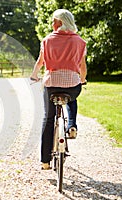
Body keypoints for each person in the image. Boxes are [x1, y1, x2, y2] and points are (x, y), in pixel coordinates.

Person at [30, 9, 87, 170]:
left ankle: (45, 161)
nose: (52, 24)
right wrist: (82, 80)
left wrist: (34, 75)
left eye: (54, 21)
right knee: (72, 98)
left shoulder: (47, 40)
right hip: (72, 85)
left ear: (60, 22)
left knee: (48, 119)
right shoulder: (80, 41)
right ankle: (71, 125)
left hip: (51, 84)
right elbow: (82, 66)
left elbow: (40, 62)